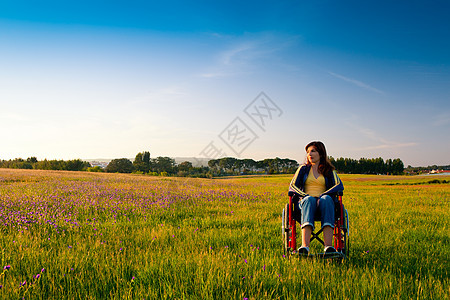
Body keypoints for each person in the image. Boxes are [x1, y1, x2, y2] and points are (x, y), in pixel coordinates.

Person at [288, 141, 344, 255]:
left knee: (326, 199)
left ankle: (328, 247)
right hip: (305, 204)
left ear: (321, 153)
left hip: (324, 204)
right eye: (308, 152)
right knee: (309, 200)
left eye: (313, 151)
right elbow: (292, 186)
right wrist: (305, 195)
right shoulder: (303, 169)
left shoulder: (329, 170)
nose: (309, 154)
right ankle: (305, 247)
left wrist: (323, 195)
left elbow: (339, 185)